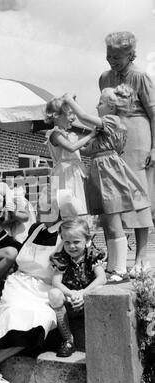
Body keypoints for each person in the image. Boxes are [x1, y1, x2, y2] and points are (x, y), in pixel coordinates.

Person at [0, 190, 83, 383]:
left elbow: (81, 262)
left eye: (46, 206)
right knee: (9, 318)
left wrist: (78, 293)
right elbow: (17, 249)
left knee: (37, 320)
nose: (39, 209)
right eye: (40, 205)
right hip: (17, 285)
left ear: (58, 211)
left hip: (44, 291)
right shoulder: (36, 228)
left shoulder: (65, 234)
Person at [63, 85, 151, 282]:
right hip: (101, 173)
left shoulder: (112, 120)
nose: (96, 106)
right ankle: (113, 267)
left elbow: (84, 116)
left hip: (110, 175)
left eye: (100, 103)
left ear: (112, 107)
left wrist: (70, 101)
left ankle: (120, 270)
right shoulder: (105, 129)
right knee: (107, 224)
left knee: (113, 222)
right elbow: (87, 150)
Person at [99, 31, 155, 276]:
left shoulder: (140, 76)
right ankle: (117, 258)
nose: (112, 61)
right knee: (113, 196)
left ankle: (142, 257)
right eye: (109, 56)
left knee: (137, 195)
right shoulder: (104, 78)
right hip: (114, 136)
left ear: (130, 55)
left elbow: (154, 114)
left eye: (117, 57)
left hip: (138, 136)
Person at [49, 217, 107, 357]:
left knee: (101, 290)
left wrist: (83, 293)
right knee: (54, 294)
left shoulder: (92, 255)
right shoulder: (62, 258)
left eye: (76, 242)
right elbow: (56, 282)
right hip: (71, 300)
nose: (71, 246)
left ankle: (100, 338)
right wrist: (71, 294)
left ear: (86, 240)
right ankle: (68, 339)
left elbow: (102, 278)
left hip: (89, 297)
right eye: (67, 242)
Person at [45, 96, 97, 216]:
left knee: (81, 206)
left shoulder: (71, 135)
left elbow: (82, 150)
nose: (74, 118)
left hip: (76, 173)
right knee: (69, 207)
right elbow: (72, 147)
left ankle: (81, 225)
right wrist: (91, 135)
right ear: (56, 115)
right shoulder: (55, 134)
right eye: (70, 114)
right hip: (65, 174)